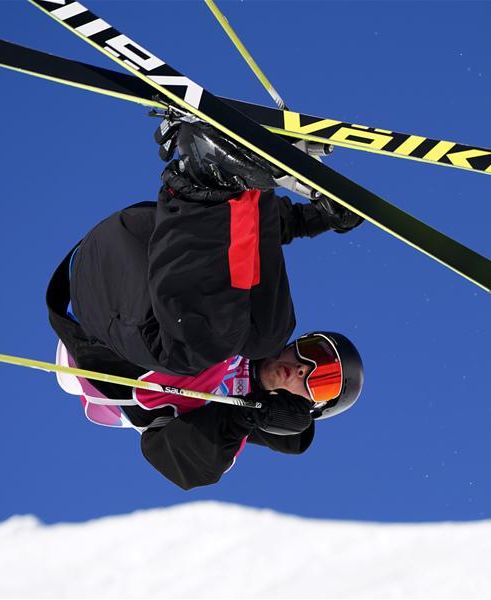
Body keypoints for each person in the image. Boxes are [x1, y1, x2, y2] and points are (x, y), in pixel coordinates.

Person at [46, 119, 365, 490]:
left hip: (101, 301)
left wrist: (250, 417)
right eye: (313, 353)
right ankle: (235, 176)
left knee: (209, 346)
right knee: (264, 332)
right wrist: (315, 219)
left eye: (322, 381)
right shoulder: (254, 335)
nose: (301, 368)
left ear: (308, 411)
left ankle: (202, 178)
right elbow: (239, 256)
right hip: (146, 238)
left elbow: (178, 461)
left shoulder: (230, 427)